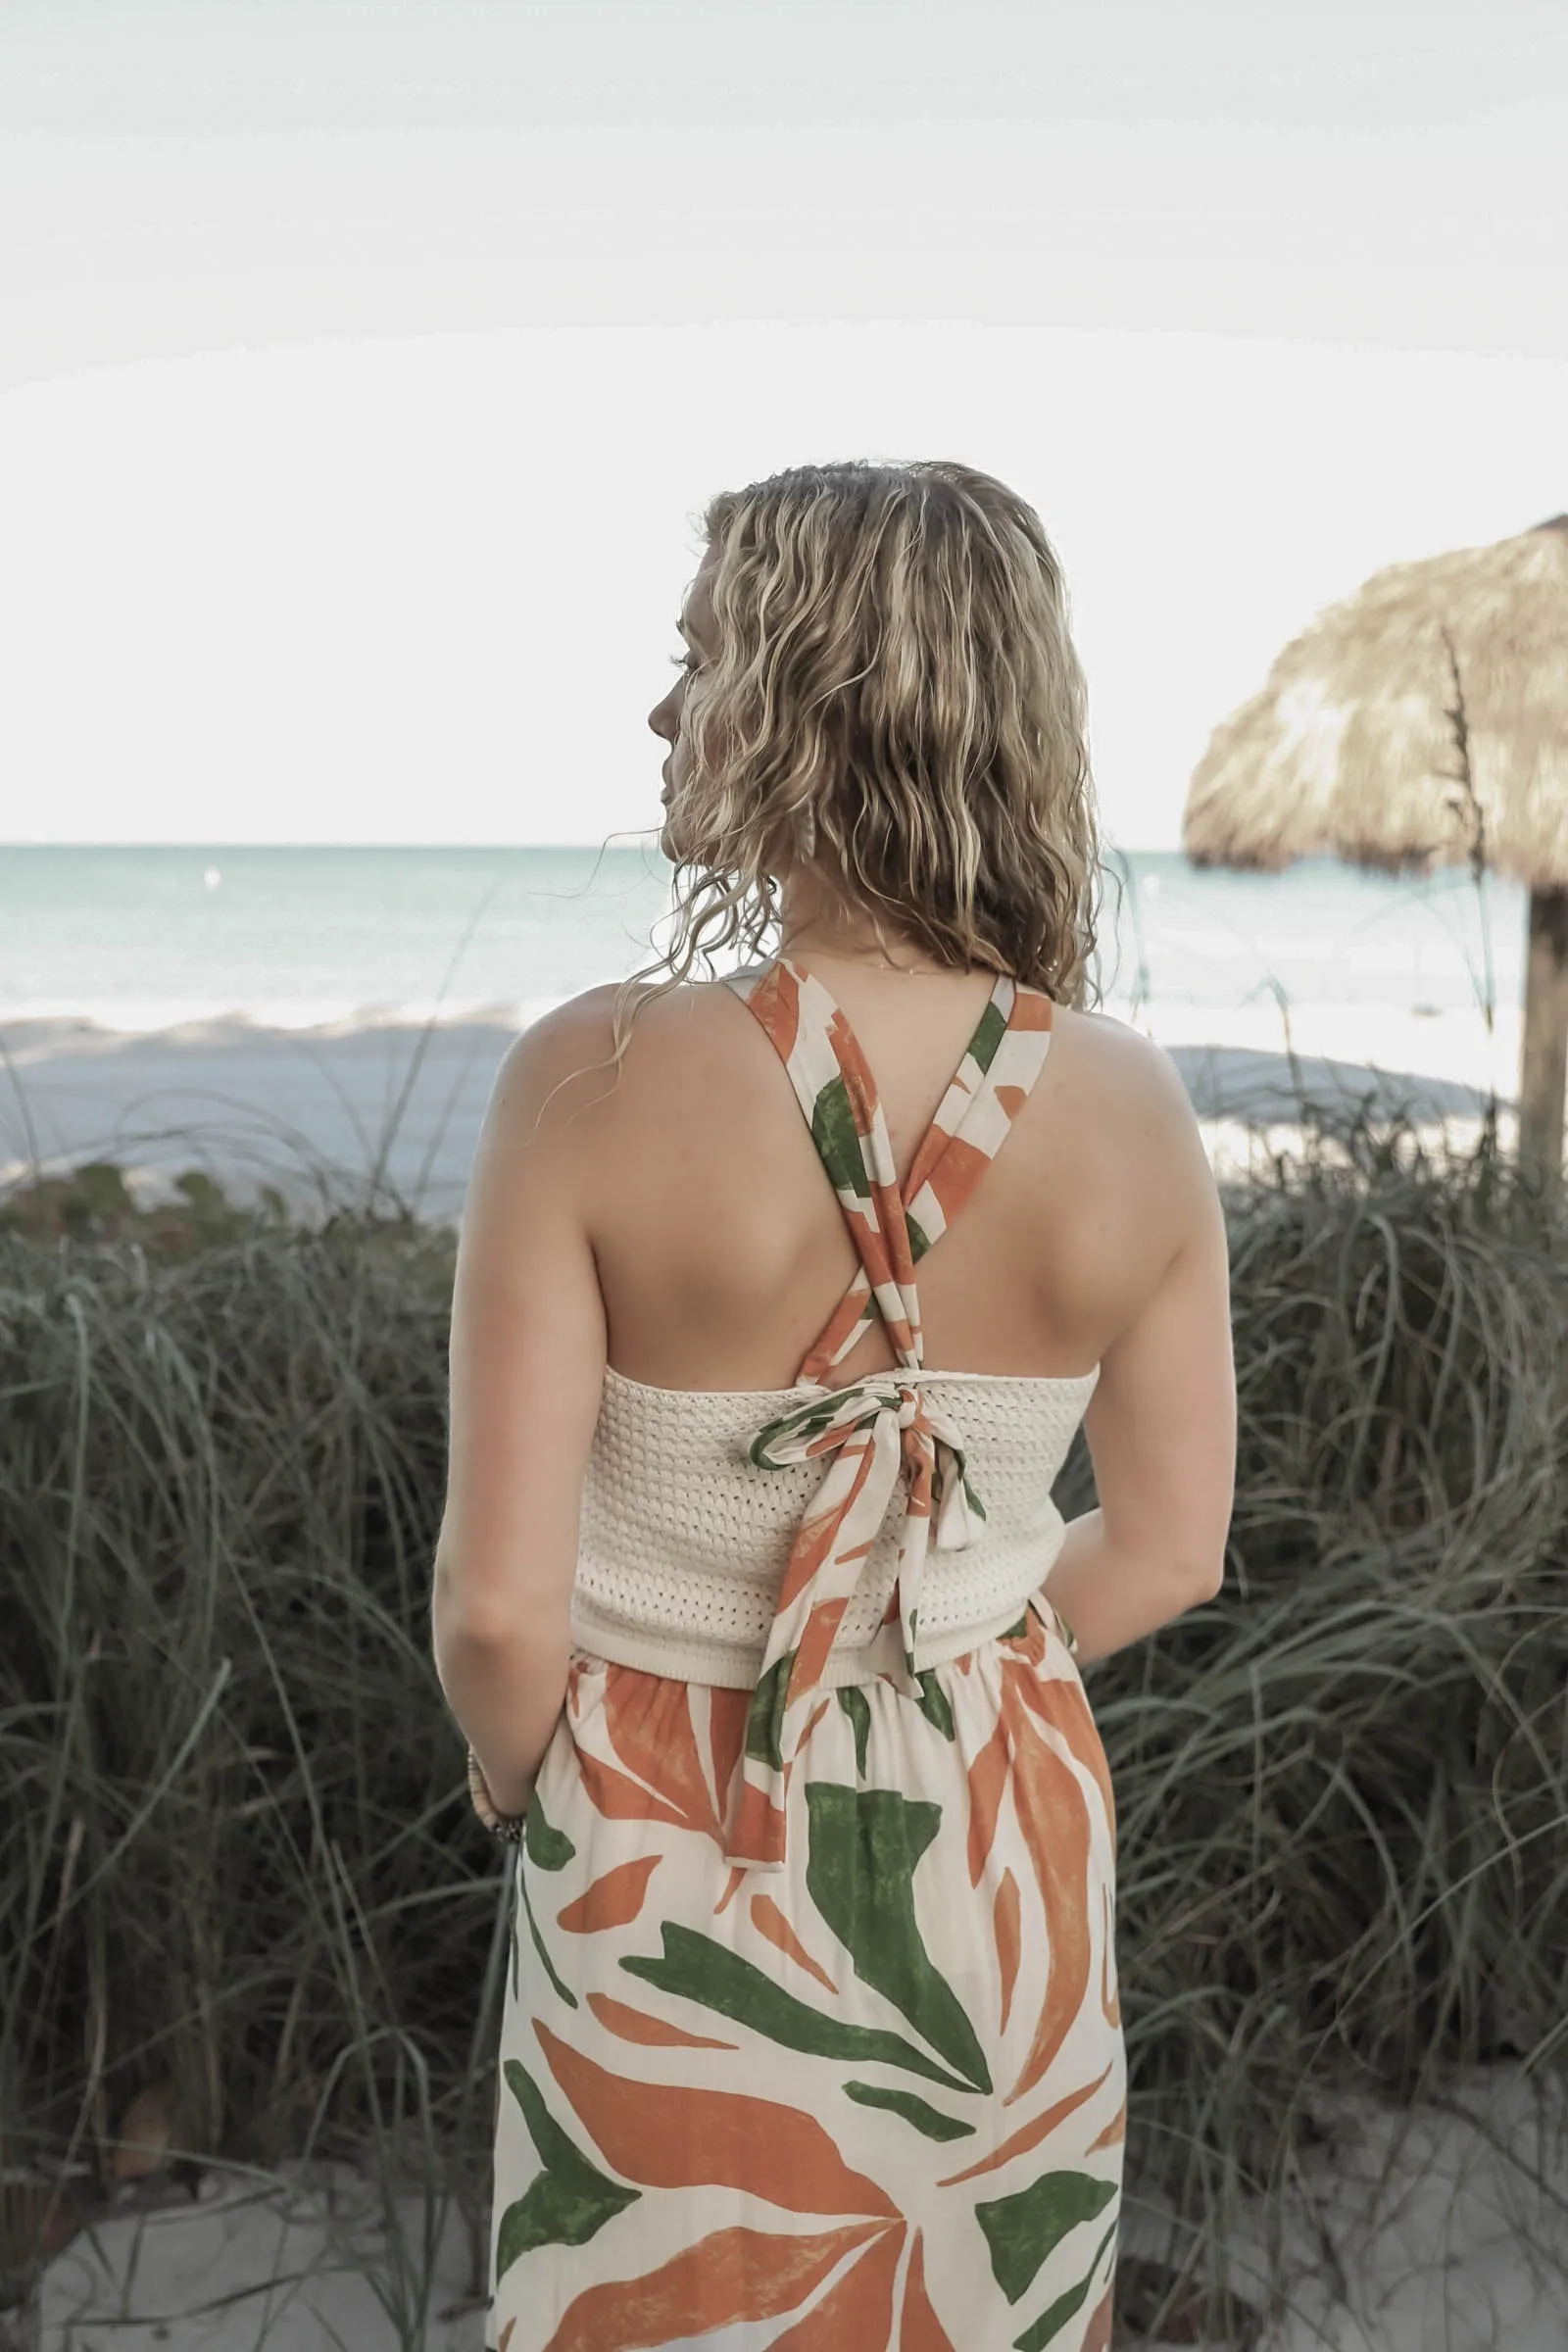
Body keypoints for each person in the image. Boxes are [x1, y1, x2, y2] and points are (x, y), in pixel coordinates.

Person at [431, 460, 1237, 2352]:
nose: (662, 710)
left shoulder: (589, 1077)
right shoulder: (1135, 1116)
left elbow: (492, 1609)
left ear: (806, 700)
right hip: (998, 1830)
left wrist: (528, 1773)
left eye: (700, 658)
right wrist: (948, 1655)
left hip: (660, 1815)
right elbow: (1179, 1546)